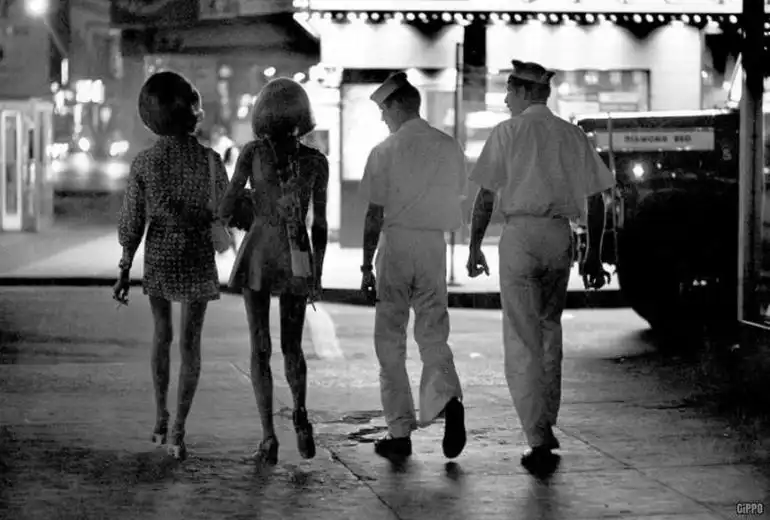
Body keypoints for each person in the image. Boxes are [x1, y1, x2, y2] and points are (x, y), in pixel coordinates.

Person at [466, 59, 614, 474]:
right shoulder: (571, 134)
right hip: (558, 236)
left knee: (521, 337)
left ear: (525, 92)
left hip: (520, 236)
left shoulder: (507, 132)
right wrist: (593, 254)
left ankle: (536, 434)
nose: (505, 99)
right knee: (550, 329)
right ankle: (546, 422)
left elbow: (485, 197)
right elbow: (597, 199)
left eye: (509, 91)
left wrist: (475, 246)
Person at [112, 71, 229, 461]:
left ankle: (160, 416)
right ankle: (179, 428)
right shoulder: (211, 161)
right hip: (197, 254)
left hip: (160, 253)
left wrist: (124, 267)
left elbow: (132, 221)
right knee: (191, 344)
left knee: (162, 335)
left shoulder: (146, 162)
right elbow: (225, 211)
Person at [219, 77, 329, 465]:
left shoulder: (252, 153)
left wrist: (234, 209)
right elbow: (320, 224)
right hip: (297, 252)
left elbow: (227, 202)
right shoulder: (316, 161)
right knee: (293, 346)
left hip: (259, 252)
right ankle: (300, 412)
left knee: (260, 346)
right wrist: (317, 273)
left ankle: (269, 437)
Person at [359, 72, 467, 462]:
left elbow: (374, 214)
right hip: (433, 245)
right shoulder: (448, 145)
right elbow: (459, 194)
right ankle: (448, 400)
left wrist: (365, 266)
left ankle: (400, 433)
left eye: (384, 109)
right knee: (433, 333)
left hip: (397, 245)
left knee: (390, 341)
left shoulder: (385, 151)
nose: (382, 117)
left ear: (397, 105)